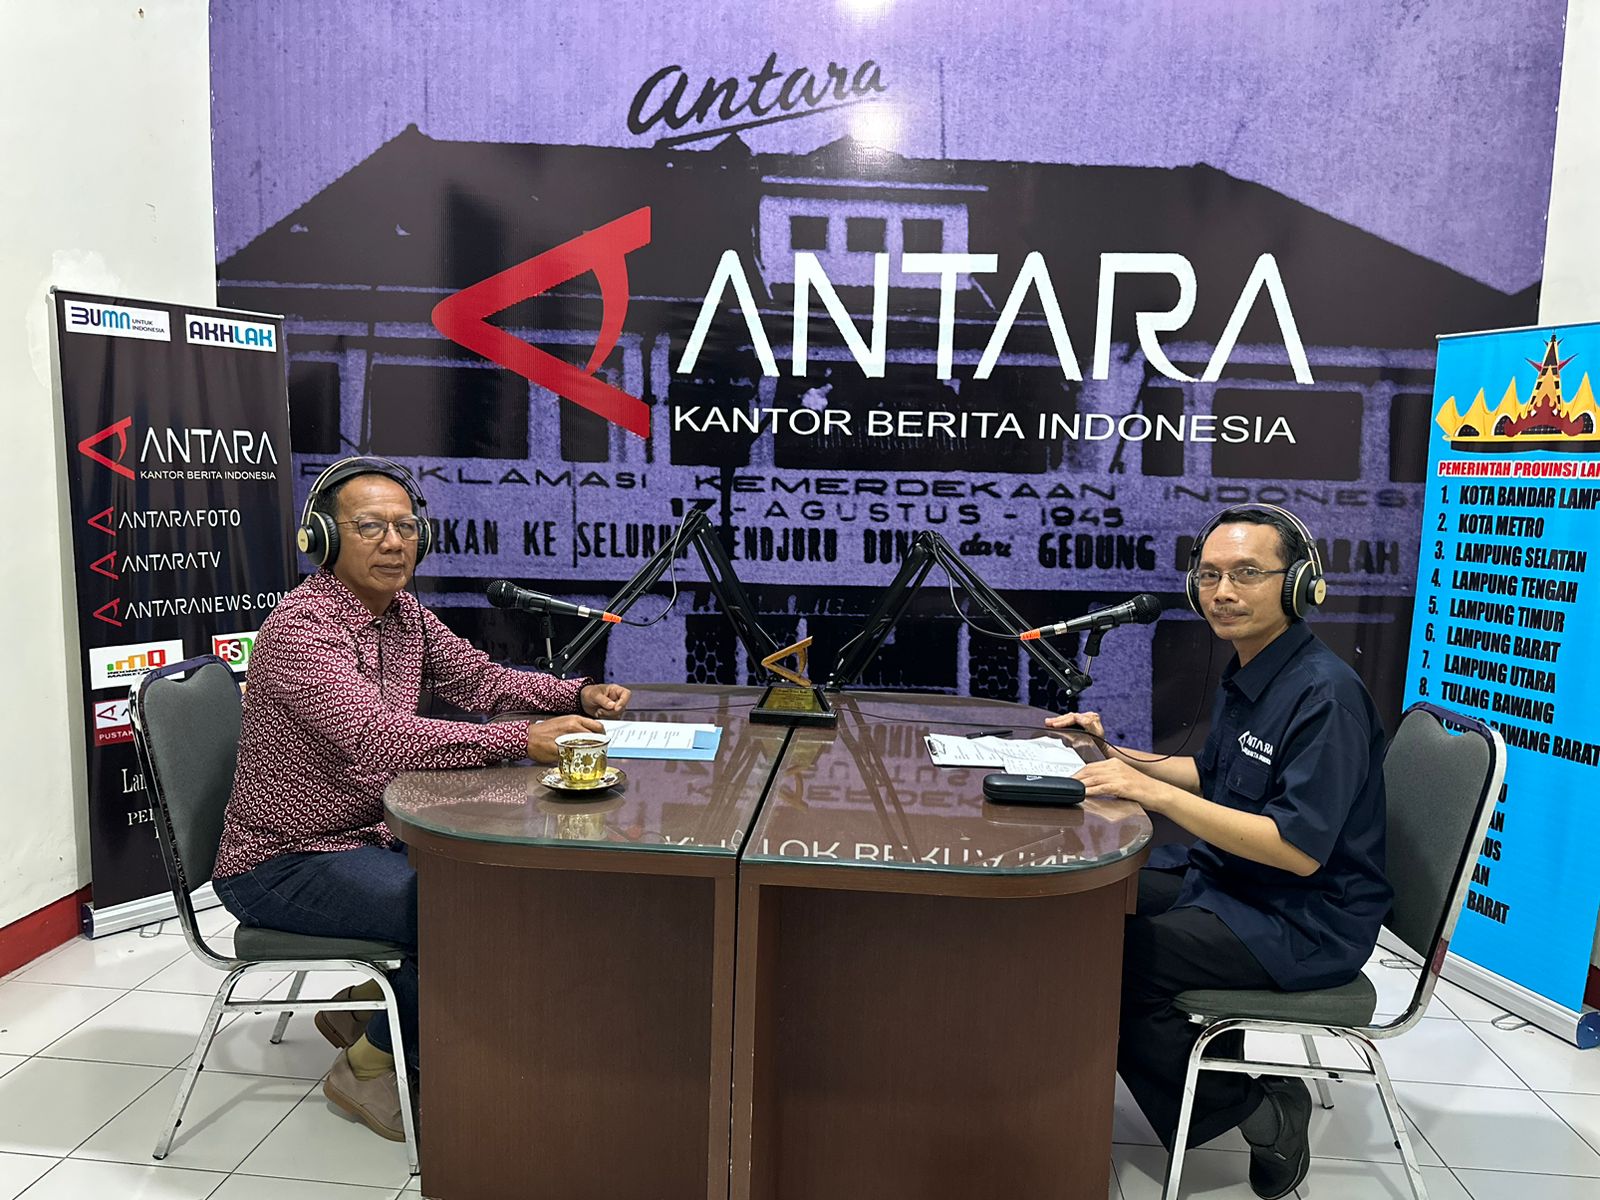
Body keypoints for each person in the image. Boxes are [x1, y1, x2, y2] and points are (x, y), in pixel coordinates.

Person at [210, 457, 631, 1143]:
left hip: (368, 837)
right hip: (281, 862)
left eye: (406, 527)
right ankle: (367, 1067)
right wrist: (522, 740)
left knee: (492, 886)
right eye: (370, 527)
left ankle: (365, 1006)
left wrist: (575, 694)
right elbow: (376, 740)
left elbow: (482, 681)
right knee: (464, 912)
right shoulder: (301, 630)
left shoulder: (403, 614)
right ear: (323, 539)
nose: (394, 542)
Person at [1048, 504, 1390, 1200]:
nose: (1223, 592)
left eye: (1247, 574)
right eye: (1209, 576)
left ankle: (1261, 1111)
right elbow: (1213, 775)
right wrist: (1110, 756)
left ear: (1298, 585)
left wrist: (1153, 795)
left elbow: (1295, 851)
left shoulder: (1325, 696)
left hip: (1303, 918)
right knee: (1089, 908)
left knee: (1110, 959)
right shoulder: (1257, 669)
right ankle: (1184, 1075)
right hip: (1236, 883)